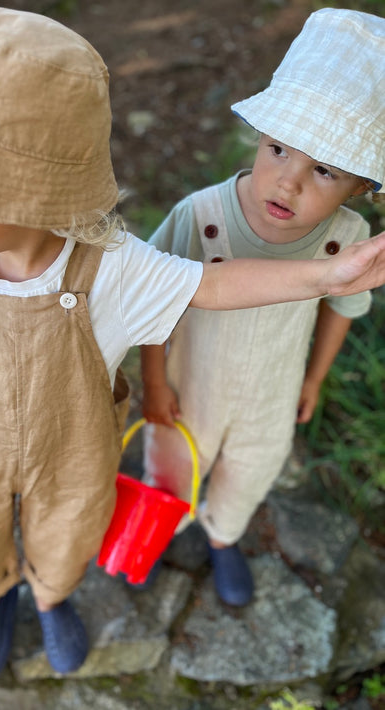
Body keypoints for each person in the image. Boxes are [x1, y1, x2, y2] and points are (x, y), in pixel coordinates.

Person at [0, 7, 385, 682]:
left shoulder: (112, 265)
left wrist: (325, 275)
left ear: (18, 193)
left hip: (73, 444)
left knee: (69, 526)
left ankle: (51, 596)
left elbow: (209, 286)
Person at [139, 7, 385, 607]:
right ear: (259, 135)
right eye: (279, 149)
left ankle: (224, 536)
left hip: (273, 389)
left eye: (323, 169)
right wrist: (151, 383)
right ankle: (160, 525)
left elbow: (341, 310)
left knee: (250, 470)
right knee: (173, 462)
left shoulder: (347, 239)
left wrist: (315, 379)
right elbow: (149, 302)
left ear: (360, 187)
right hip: (189, 381)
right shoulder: (201, 216)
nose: (288, 181)